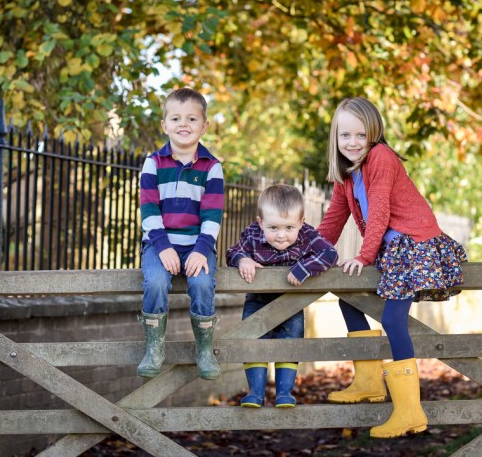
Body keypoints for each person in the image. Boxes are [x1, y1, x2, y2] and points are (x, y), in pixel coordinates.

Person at [316, 97, 467, 438]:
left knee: (392, 318)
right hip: (393, 250)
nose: (353, 143)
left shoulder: (381, 157)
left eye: (360, 135)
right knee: (348, 299)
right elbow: (333, 220)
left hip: (414, 245)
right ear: (335, 139)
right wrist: (306, 252)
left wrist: (363, 256)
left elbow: (381, 209)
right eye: (345, 136)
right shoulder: (346, 175)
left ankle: (410, 412)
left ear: (374, 133)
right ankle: (369, 382)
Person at [137, 88, 224, 381]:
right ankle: (154, 348)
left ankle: (204, 349)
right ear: (164, 125)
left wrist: (201, 250)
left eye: (191, 118)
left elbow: (212, 216)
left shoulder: (212, 168)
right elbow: (148, 211)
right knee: (157, 281)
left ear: (204, 126)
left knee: (201, 284)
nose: (183, 124)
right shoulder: (153, 163)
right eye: (175, 118)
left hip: (197, 246)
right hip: (159, 244)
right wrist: (162, 247)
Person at [226, 184, 338, 408]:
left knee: (290, 343)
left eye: (289, 227)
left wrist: (303, 268)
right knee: (253, 342)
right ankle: (255, 393)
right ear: (260, 223)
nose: (281, 235)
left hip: (292, 302)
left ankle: (284, 393)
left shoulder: (307, 235)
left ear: (301, 222)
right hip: (257, 300)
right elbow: (232, 252)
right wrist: (243, 260)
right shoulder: (252, 234)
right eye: (273, 227)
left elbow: (330, 253)